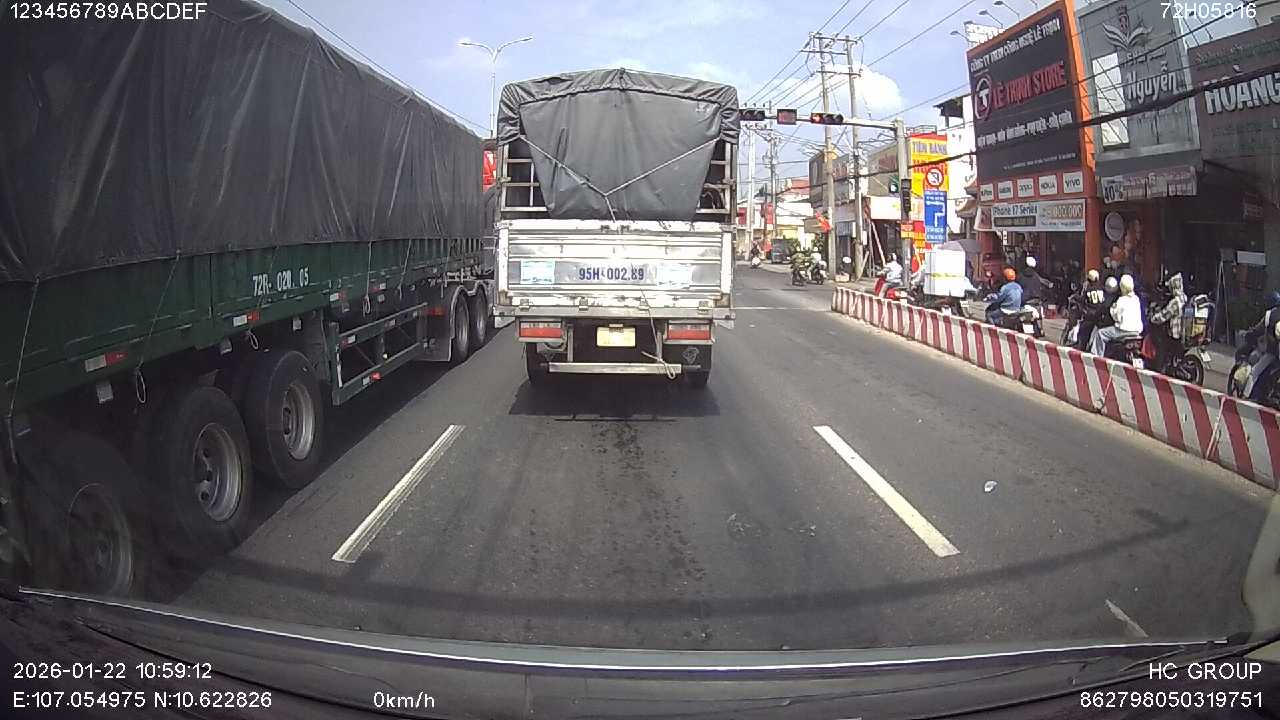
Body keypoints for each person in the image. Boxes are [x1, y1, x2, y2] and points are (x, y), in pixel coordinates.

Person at [1239, 291, 1280, 401]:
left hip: (1273, 352)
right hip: (1274, 353)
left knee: (1254, 372)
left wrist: (1248, 334)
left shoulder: (1270, 315)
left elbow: (1258, 330)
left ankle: (1246, 397)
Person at [1089, 274, 1143, 356]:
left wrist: (1112, 309)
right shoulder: (1136, 299)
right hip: (1136, 331)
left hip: (1123, 331)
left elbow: (1116, 318)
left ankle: (1097, 357)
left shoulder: (1121, 300)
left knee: (1100, 333)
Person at [1147, 273, 1187, 369]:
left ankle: (1159, 368)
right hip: (1182, 332)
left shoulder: (1175, 302)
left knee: (1161, 345)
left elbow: (1164, 316)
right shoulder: (1184, 297)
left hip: (1175, 334)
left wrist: (1153, 319)